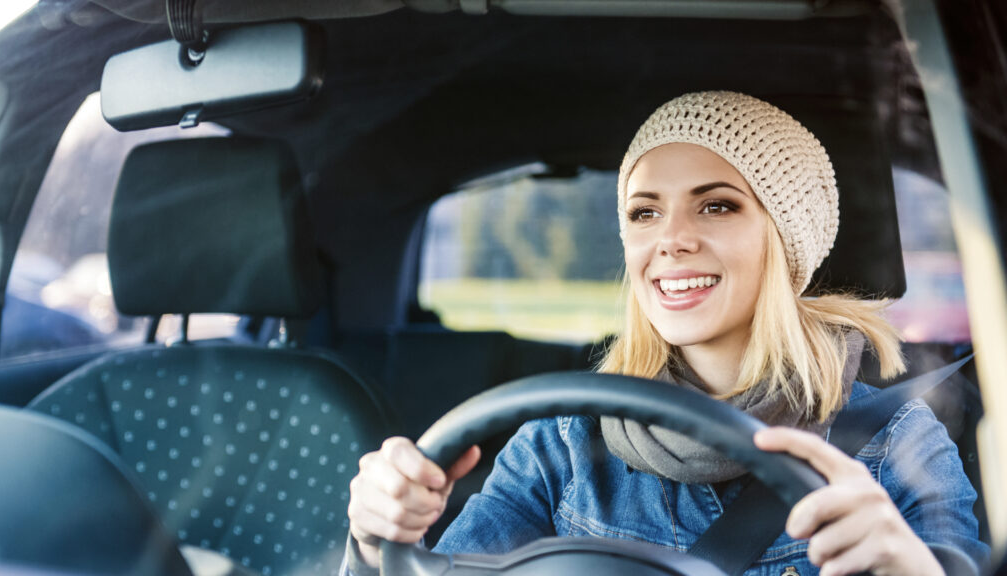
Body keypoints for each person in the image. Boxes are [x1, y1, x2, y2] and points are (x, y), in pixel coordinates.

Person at [342, 91, 988, 576]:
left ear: (788, 243)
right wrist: (378, 536)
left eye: (717, 205)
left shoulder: (893, 445)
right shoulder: (561, 444)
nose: (671, 239)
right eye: (644, 212)